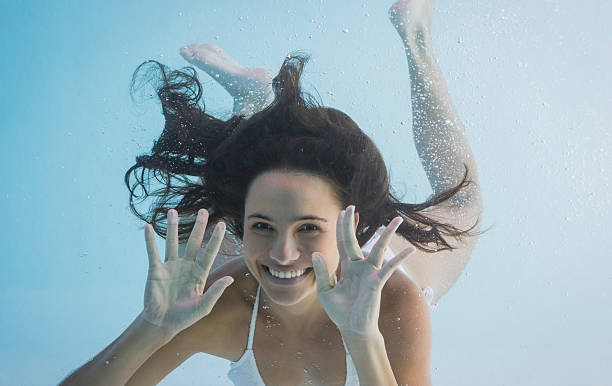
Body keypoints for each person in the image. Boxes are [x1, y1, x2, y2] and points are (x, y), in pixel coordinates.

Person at [60, 1, 482, 385]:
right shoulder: (221, 304)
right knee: (227, 220)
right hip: (256, 261)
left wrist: (362, 336)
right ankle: (254, 104)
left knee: (463, 202)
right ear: (245, 223)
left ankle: (417, 40)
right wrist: (150, 327)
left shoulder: (394, 303)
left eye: (308, 229)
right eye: (260, 225)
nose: (282, 252)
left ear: (347, 227)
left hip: (374, 262)